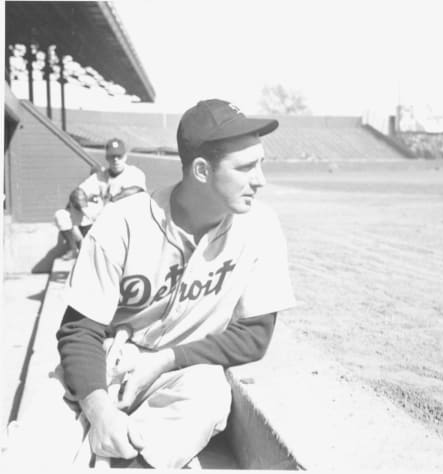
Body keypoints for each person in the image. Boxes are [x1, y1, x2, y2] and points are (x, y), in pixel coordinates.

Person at [5, 99, 295, 469]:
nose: (261, 179)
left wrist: (166, 360)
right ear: (202, 170)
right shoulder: (123, 222)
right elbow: (79, 331)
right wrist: (99, 412)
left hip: (181, 373)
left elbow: (255, 335)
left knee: (206, 395)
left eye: (261, 164)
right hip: (106, 363)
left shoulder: (261, 228)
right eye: (246, 167)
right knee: (25, 456)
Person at [54, 138, 146, 259]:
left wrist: (112, 202)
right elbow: (78, 193)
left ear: (125, 157)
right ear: (107, 158)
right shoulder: (100, 176)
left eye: (119, 156)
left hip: (129, 222)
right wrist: (83, 209)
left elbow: (135, 191)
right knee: (62, 215)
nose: (116, 160)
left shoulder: (134, 173)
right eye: (112, 156)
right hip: (103, 218)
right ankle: (77, 249)